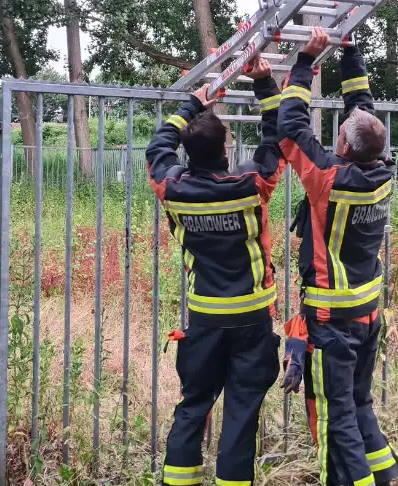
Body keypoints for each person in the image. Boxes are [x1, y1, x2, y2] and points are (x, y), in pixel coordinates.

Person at [146, 56, 286, 486]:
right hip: (251, 317)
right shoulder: (250, 186)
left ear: (188, 154)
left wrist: (191, 104)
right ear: (226, 151)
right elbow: (275, 139)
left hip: (204, 317)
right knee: (242, 410)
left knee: (193, 404)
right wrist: (264, 81)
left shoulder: (172, 189)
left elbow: (157, 148)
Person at [278, 28, 398, 486]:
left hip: (333, 319)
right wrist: (349, 51)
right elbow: (363, 107)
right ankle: (385, 472)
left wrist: (304, 61)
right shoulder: (383, 171)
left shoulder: (331, 180)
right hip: (367, 312)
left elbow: (291, 128)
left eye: (338, 135)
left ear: (345, 147)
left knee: (337, 416)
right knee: (358, 400)